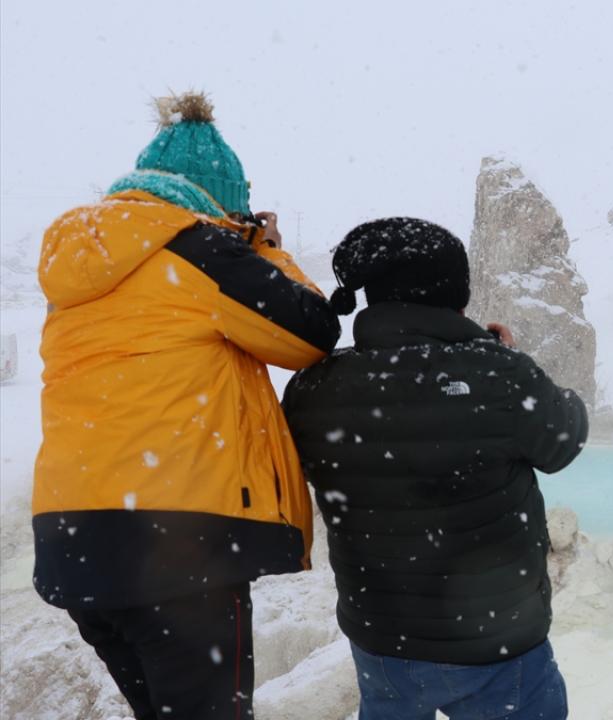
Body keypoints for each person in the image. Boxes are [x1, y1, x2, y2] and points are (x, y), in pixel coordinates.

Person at [32, 92, 340, 719]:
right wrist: (263, 248)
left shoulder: (78, 272)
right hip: (177, 548)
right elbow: (311, 334)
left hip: (75, 542)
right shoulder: (198, 251)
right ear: (217, 199)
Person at [282, 217, 589, 720]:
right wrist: (497, 358)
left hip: (383, 640)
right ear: (456, 296)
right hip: (498, 641)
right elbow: (563, 440)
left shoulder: (313, 388)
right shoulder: (499, 375)